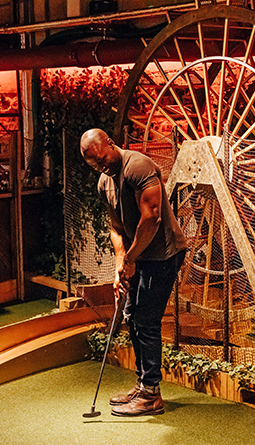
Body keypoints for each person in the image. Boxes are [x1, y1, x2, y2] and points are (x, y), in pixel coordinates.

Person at [80, 129, 188, 416]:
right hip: (138, 255)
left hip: (163, 254)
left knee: (146, 320)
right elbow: (116, 227)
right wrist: (120, 261)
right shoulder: (105, 182)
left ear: (111, 145)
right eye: (95, 165)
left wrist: (131, 258)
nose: (102, 167)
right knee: (131, 314)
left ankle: (152, 394)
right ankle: (143, 385)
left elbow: (151, 217)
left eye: (102, 159)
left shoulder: (137, 166)